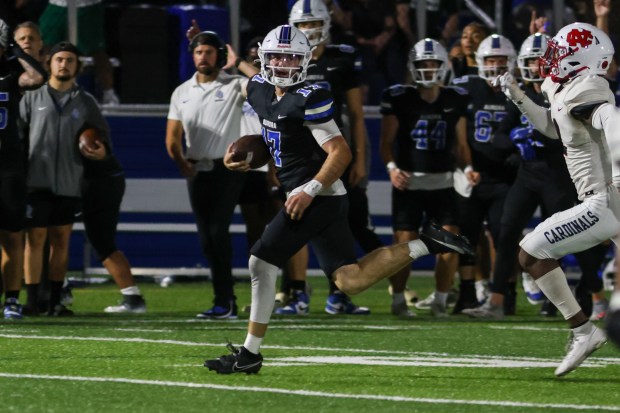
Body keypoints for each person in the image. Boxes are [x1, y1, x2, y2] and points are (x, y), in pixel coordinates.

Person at [203, 24, 474, 375]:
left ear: (304, 62)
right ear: (265, 59)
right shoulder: (257, 89)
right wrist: (248, 157)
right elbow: (278, 137)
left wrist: (310, 188)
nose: (284, 64)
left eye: (291, 57)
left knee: (261, 262)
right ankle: (429, 243)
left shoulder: (310, 96)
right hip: (317, 195)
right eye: (277, 57)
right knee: (351, 280)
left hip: (319, 195)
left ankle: (250, 353)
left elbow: (340, 152)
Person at [495, 22, 616, 376]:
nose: (552, 59)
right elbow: (552, 127)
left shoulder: (589, 88)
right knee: (531, 252)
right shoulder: (566, 88)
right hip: (599, 200)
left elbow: (613, 121)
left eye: (560, 52)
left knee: (531, 252)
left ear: (581, 59)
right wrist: (518, 95)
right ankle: (583, 331)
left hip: (604, 201)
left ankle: (583, 332)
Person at [463, 33, 608, 319]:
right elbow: (502, 138)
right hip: (528, 175)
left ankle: (597, 298)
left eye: (546, 57)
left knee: (578, 244)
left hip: (561, 176)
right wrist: (519, 141)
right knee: (507, 236)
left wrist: (539, 138)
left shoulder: (578, 89)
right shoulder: (534, 91)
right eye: (533, 59)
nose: (541, 63)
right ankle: (496, 301)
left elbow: (575, 131)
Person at [278, 0, 378, 315]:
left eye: (314, 24)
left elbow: (357, 116)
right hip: (298, 155)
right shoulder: (285, 60)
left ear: (326, 24)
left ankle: (339, 293)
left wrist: (360, 158)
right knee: (294, 222)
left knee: (346, 223)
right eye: (303, 25)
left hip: (334, 152)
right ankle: (295, 293)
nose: (309, 30)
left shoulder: (341, 59)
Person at [379, 38, 476, 317]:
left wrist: (468, 169)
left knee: (449, 244)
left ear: (443, 66)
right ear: (413, 66)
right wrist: (392, 169)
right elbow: (387, 142)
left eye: (433, 63)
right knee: (405, 245)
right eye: (423, 64)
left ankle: (440, 301)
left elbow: (461, 144)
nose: (429, 68)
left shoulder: (455, 97)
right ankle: (398, 299)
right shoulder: (399, 97)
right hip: (410, 183)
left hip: (444, 182)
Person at [166, 30, 248, 320]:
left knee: (217, 233)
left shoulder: (236, 85)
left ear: (219, 56)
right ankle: (224, 300)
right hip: (197, 171)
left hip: (228, 169)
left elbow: (264, 85)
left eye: (209, 52)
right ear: (192, 56)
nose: (203, 57)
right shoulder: (182, 92)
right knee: (207, 239)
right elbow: (172, 137)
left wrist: (238, 63)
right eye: (199, 52)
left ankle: (225, 301)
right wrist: (180, 162)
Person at [21, 41, 107, 316]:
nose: (64, 64)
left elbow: (102, 138)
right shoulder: (32, 97)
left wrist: (101, 150)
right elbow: (18, 137)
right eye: (59, 59)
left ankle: (55, 300)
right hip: (36, 180)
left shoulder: (85, 101)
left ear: (77, 67)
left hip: (69, 181)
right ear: (49, 63)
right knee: (35, 239)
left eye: (70, 60)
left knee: (61, 239)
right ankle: (33, 300)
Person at [449, 34, 518, 315]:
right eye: (491, 59)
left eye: (501, 59)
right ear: (479, 61)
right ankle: (467, 292)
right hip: (472, 175)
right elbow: (458, 134)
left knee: (504, 237)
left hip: (505, 178)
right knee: (466, 236)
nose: (496, 64)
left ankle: (507, 292)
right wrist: (466, 166)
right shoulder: (465, 87)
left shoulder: (517, 90)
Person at [0, 18, 46, 319]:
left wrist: (16, 49)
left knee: (13, 235)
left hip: (7, 165)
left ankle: (12, 300)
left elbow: (39, 76)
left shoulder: (12, 70)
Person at [80, 125, 147, 314]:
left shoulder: (83, 105)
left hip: (98, 177)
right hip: (97, 176)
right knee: (50, 235)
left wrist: (102, 155)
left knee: (101, 243)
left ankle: (133, 298)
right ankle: (56, 290)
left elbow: (97, 131)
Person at [37, 0, 119, 105]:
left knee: (96, 51)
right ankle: (45, 92)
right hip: (57, 5)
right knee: (47, 50)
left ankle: (109, 95)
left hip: (87, 6)